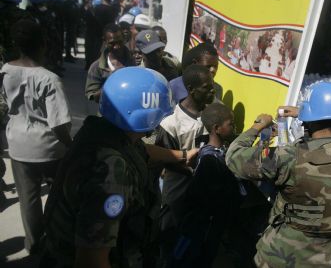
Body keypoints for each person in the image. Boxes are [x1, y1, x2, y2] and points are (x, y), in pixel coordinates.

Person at [41, 67, 185, 267]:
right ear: (149, 117)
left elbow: (141, 151)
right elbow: (91, 261)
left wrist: (183, 155)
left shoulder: (102, 131)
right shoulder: (110, 174)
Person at [226, 82, 331, 267]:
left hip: (279, 256)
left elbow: (233, 157)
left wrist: (257, 127)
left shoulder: (289, 157)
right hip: (328, 259)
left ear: (309, 120)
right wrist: (315, 112)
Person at [1, 20, 72, 254]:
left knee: (28, 200)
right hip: (50, 148)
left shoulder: (5, 71)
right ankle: (56, 240)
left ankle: (34, 245)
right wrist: (71, 146)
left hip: (19, 147)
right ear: (43, 44)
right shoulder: (49, 78)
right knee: (59, 197)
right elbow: (59, 123)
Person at [156, 64, 216, 267]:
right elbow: (165, 159)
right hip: (177, 196)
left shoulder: (211, 114)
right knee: (170, 244)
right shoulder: (171, 123)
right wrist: (193, 169)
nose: (212, 91)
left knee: (192, 244)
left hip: (200, 198)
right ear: (191, 89)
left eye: (212, 86)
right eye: (207, 88)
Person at [171, 103, 243, 267]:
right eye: (231, 124)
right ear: (217, 128)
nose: (234, 127)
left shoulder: (213, 151)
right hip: (203, 228)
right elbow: (199, 197)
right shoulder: (210, 160)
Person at [85, 23, 135, 103]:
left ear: (124, 39)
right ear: (105, 41)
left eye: (119, 42)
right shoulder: (96, 67)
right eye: (112, 43)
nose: (116, 46)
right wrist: (113, 84)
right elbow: (92, 96)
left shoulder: (135, 62)